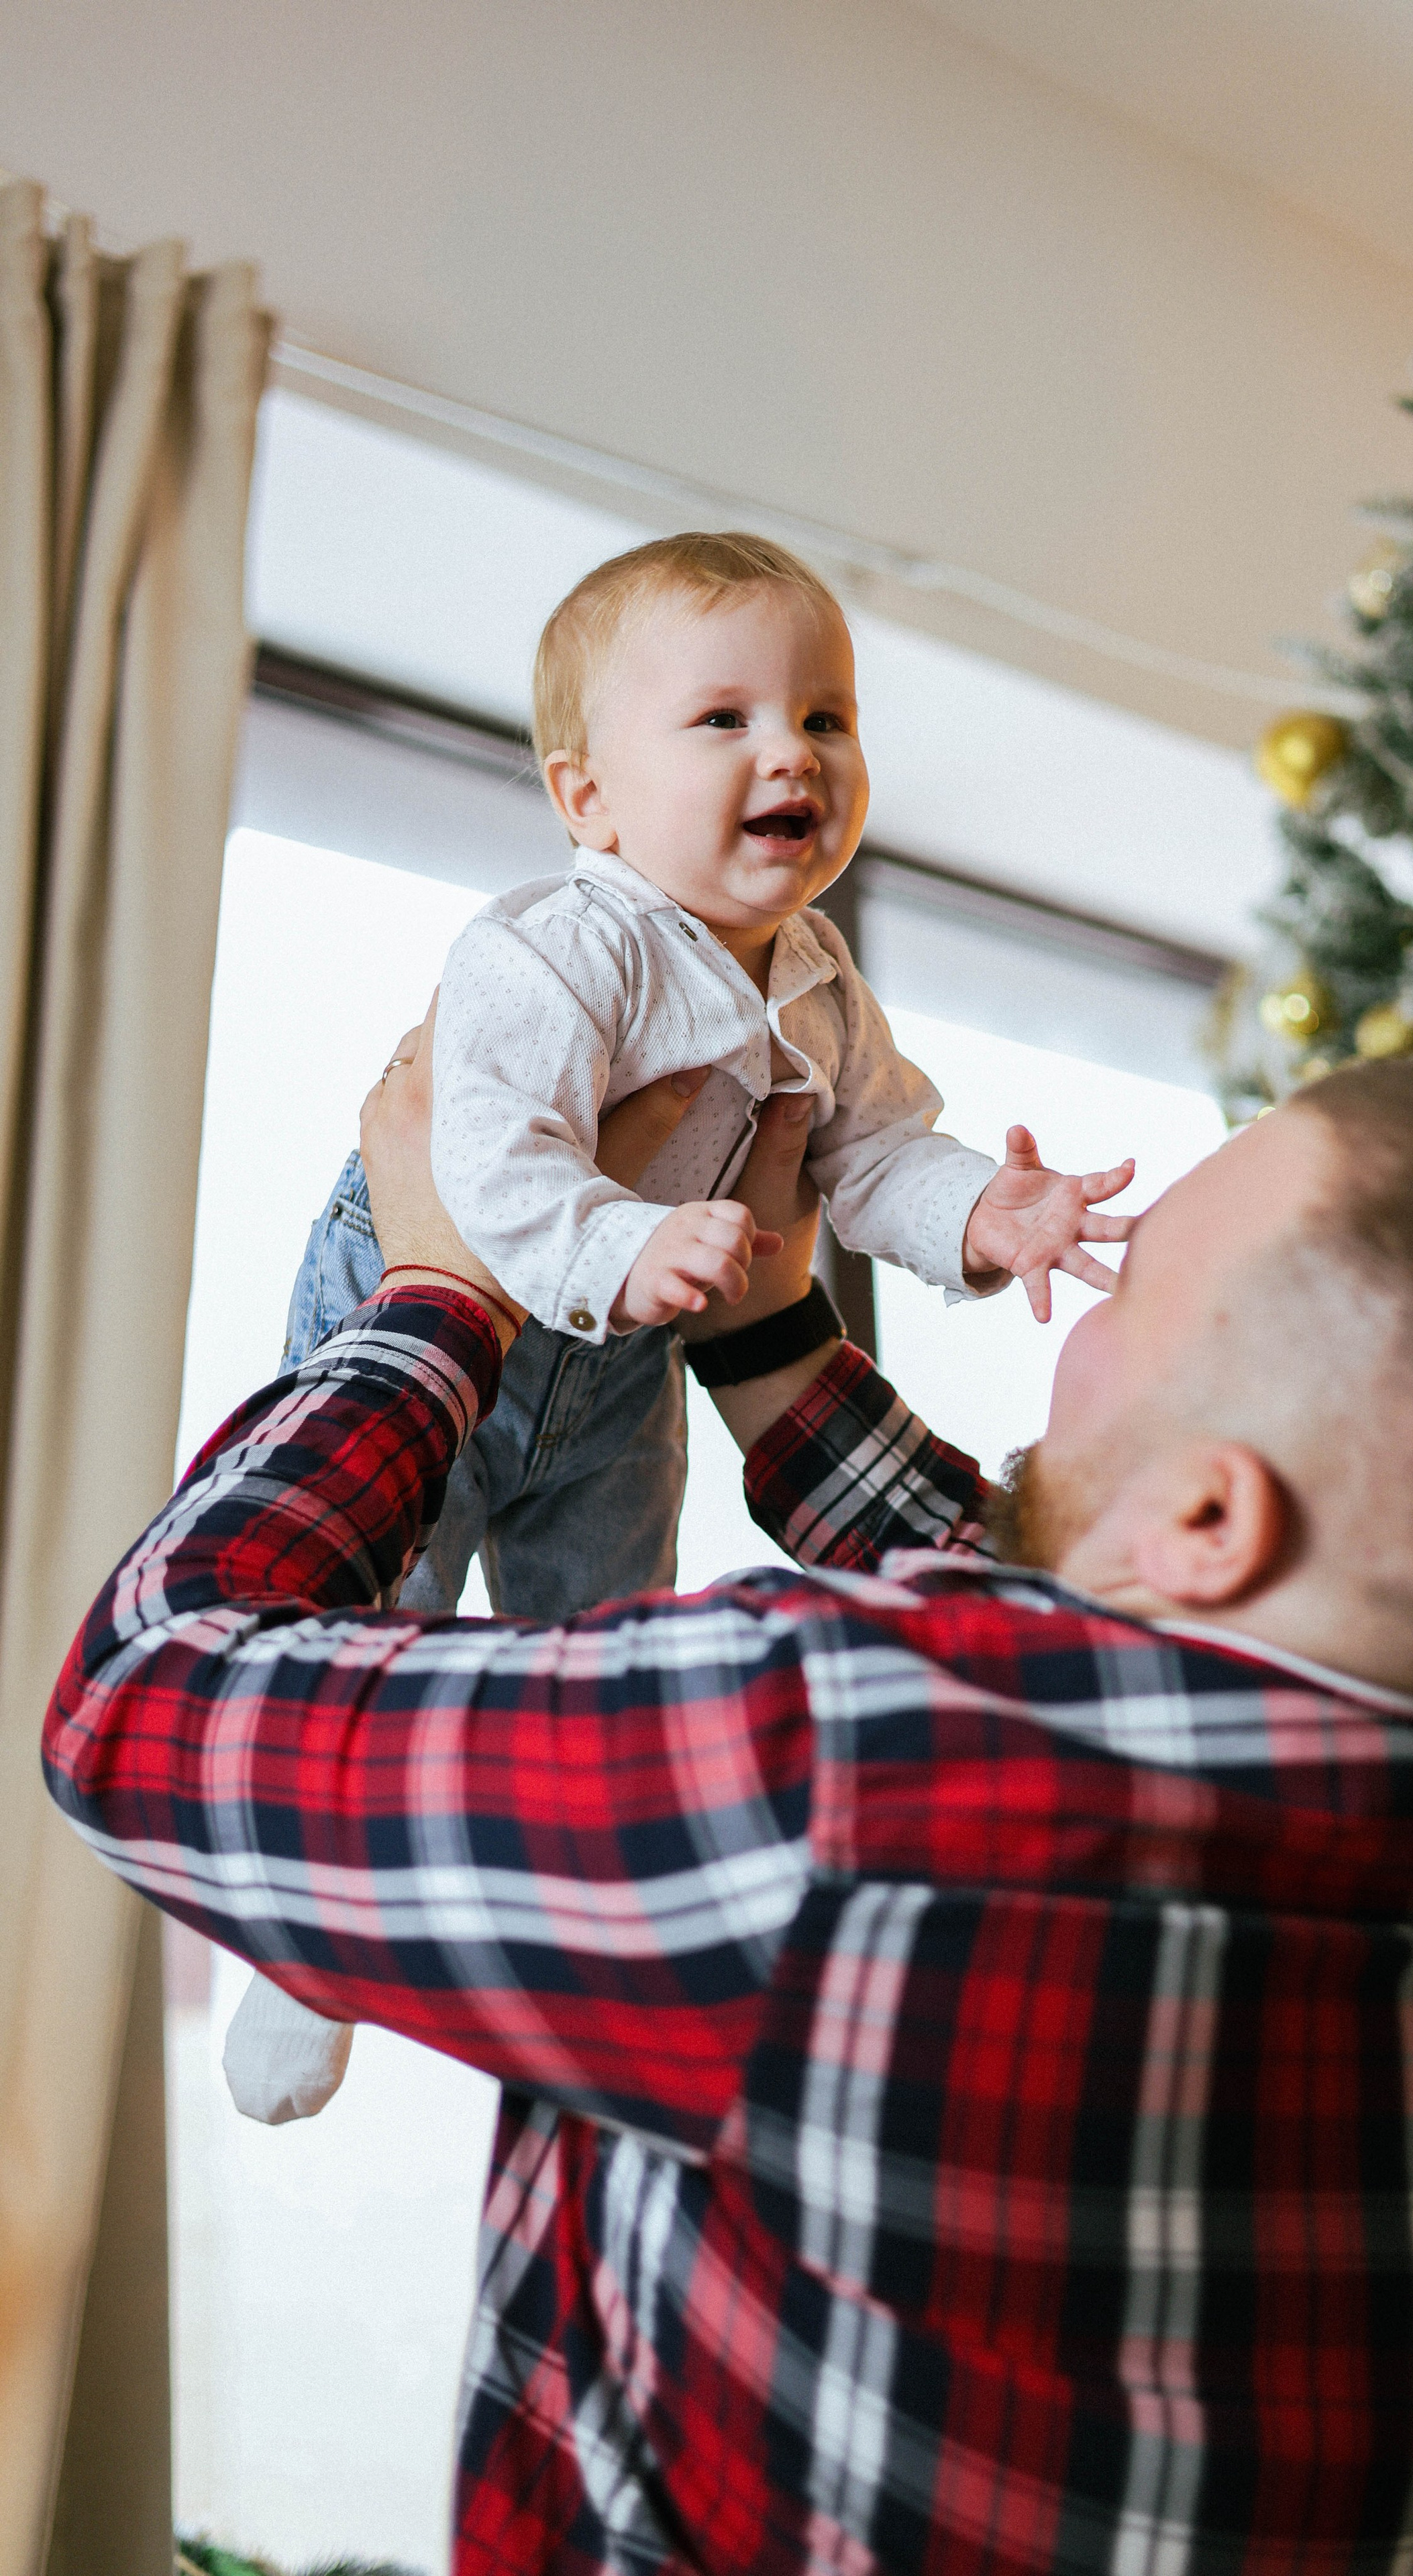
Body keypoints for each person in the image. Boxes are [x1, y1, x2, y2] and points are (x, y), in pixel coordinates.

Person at [44, 1028, 1413, 2576]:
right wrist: (775, 1335)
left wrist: (431, 1299)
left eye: (1130, 1299)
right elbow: (1147, 1647)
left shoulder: (850, 1804)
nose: (1089, 1338)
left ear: (1212, 1518)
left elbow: (145, 1696)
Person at [223, 527, 1134, 2125]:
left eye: (825, 718)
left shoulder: (820, 980)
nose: (793, 752)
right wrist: (627, 1239)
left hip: (624, 1364)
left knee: (601, 1640)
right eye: (725, 720)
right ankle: (307, 1938)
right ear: (588, 799)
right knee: (383, 1617)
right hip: (449, 1323)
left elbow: (872, 1155)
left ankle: (565, 1923)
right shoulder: (552, 948)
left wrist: (981, 1218)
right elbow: (482, 1156)